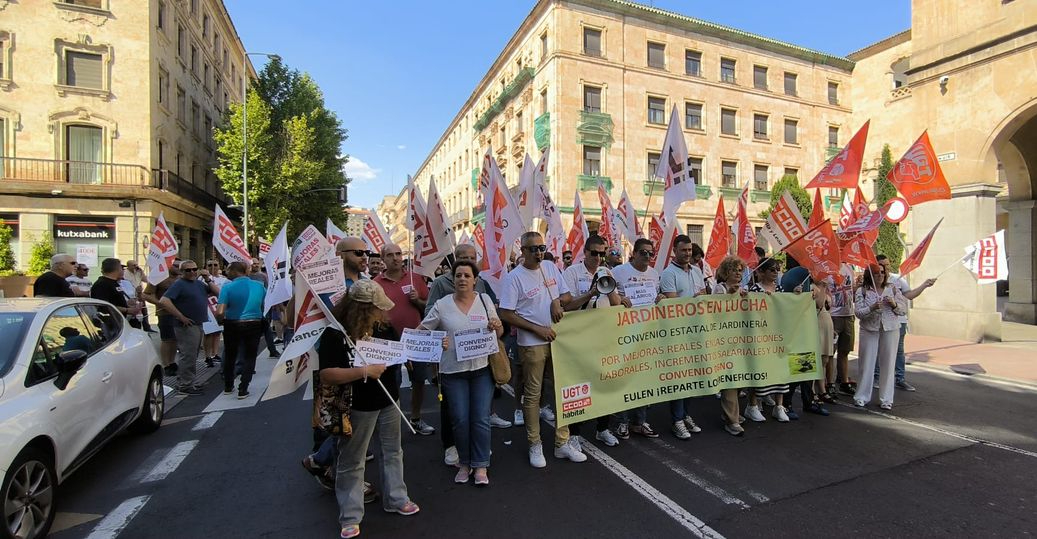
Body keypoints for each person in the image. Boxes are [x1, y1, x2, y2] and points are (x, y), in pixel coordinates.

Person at [320, 280, 419, 539]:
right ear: (363, 309)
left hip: (388, 400)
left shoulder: (384, 326)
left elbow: (400, 352)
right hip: (358, 405)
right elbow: (328, 374)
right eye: (377, 308)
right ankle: (351, 515)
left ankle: (396, 498)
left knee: (393, 452)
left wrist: (418, 353)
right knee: (352, 460)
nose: (382, 312)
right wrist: (364, 371)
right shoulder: (335, 334)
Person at [499, 231, 584, 468]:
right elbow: (506, 313)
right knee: (533, 395)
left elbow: (566, 296)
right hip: (532, 344)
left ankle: (561, 443)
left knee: (562, 391)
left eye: (541, 248)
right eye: (533, 249)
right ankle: (534, 444)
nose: (538, 252)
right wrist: (536, 329)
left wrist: (556, 301)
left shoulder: (551, 267)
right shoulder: (514, 278)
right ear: (523, 251)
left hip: (558, 340)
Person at [419, 260, 503, 485]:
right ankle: (465, 463)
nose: (462, 279)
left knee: (480, 419)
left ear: (475, 279)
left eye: (467, 275)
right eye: (458, 275)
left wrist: (496, 325)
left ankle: (481, 464)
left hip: (481, 370)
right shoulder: (442, 305)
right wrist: (438, 342)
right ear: (452, 279)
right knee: (459, 419)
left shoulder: (485, 300)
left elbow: (500, 330)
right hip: (452, 373)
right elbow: (420, 333)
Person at [561, 235, 622, 448]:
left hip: (603, 336)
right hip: (578, 335)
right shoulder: (571, 273)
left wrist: (620, 296)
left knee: (604, 381)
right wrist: (590, 293)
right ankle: (574, 432)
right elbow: (566, 306)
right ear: (585, 252)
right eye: (594, 253)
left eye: (602, 253)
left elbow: (614, 303)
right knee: (578, 385)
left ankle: (602, 428)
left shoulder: (606, 272)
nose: (598, 257)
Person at [373, 243, 434, 436]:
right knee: (393, 382)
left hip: (416, 339)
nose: (396, 258)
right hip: (390, 342)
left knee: (418, 380)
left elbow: (431, 309)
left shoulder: (416, 280)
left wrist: (418, 301)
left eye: (398, 254)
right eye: (390, 255)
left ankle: (416, 418)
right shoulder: (376, 284)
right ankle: (390, 423)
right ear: (383, 259)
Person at [611, 238, 665, 439]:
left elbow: (657, 296)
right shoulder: (618, 272)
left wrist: (661, 299)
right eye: (643, 253)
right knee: (626, 378)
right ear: (633, 253)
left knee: (645, 378)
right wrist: (619, 301)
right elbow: (610, 297)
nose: (648, 257)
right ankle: (622, 421)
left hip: (648, 332)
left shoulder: (654, 274)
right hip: (625, 332)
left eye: (651, 253)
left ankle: (640, 422)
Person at [659, 236, 707, 439]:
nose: (687, 253)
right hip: (677, 333)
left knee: (693, 378)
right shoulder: (668, 274)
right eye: (683, 250)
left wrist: (699, 301)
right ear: (675, 251)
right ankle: (677, 419)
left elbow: (704, 295)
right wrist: (693, 301)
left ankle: (686, 414)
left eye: (689, 250)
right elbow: (672, 305)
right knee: (679, 378)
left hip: (697, 331)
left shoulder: (697, 271)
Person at [158, 260, 220, 395]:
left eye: (194, 269)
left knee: (193, 354)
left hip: (198, 323)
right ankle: (185, 385)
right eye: (188, 270)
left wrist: (208, 279)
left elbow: (218, 292)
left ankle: (188, 380)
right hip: (186, 325)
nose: (192, 272)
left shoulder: (199, 284)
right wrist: (180, 316)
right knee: (188, 354)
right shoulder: (179, 284)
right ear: (181, 272)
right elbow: (164, 301)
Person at [875, 255, 936, 392]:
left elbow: (909, 295)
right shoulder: (874, 279)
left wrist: (924, 285)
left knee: (899, 350)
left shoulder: (898, 279)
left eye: (887, 264)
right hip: (882, 321)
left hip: (899, 321)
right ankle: (876, 377)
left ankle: (899, 379)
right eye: (882, 265)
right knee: (879, 349)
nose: (886, 268)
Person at [853, 264, 908, 410]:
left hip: (890, 328)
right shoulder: (862, 290)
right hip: (869, 329)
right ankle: (861, 396)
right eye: (876, 273)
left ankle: (886, 399)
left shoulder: (893, 289)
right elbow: (858, 312)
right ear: (870, 275)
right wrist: (872, 308)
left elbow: (903, 310)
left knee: (888, 364)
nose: (880, 275)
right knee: (866, 363)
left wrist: (894, 304)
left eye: (883, 272)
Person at [743, 257, 791, 422]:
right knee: (758, 370)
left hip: (777, 334)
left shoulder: (781, 289)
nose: (775, 272)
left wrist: (797, 296)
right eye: (772, 269)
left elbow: (786, 307)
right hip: (760, 336)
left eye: (777, 269)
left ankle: (779, 406)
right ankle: (752, 405)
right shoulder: (754, 289)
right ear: (761, 272)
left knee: (780, 370)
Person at [216, 261, 266, 399]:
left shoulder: (227, 287)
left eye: (228, 270)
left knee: (231, 354)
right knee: (250, 355)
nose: (226, 273)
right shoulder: (259, 286)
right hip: (254, 322)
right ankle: (243, 388)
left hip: (232, 322)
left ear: (234, 271)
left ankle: (228, 385)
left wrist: (219, 320)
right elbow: (264, 304)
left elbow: (220, 311)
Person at [713, 256, 747, 436]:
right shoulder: (719, 288)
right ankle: (731, 420)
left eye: (740, 270)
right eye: (734, 270)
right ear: (726, 273)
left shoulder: (743, 290)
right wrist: (729, 295)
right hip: (724, 341)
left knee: (740, 377)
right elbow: (714, 311)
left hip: (740, 339)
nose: (738, 273)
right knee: (730, 380)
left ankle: (732, 413)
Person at [143, 263, 181, 376]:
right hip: (165, 313)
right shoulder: (159, 278)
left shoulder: (181, 278)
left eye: (179, 265)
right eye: (175, 265)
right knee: (167, 339)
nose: (178, 268)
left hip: (180, 313)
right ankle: (165, 364)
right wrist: (161, 304)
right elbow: (146, 295)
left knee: (175, 339)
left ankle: (172, 361)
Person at [830, 263, 858, 396]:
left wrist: (857, 287)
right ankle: (827, 383)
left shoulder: (849, 268)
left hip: (848, 314)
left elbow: (851, 289)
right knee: (830, 352)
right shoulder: (827, 267)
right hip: (834, 315)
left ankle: (843, 381)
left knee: (845, 351)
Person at [91, 258, 142, 326]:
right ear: (117, 269)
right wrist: (127, 310)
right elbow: (104, 306)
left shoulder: (114, 283)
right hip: (110, 323)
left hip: (120, 321)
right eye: (121, 268)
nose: (123, 271)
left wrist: (128, 304)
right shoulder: (102, 284)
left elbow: (114, 300)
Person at [124, 260, 153, 332]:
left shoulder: (138, 272)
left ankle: (147, 327)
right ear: (128, 266)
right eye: (134, 265)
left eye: (136, 264)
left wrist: (142, 272)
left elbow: (146, 280)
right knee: (135, 312)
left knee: (144, 310)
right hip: (131, 295)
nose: (136, 266)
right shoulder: (125, 273)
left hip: (140, 294)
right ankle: (135, 328)